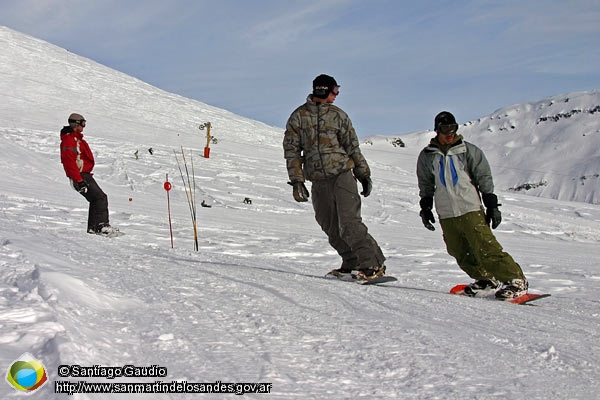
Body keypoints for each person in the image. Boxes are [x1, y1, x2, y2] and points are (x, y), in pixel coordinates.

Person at [283, 74, 386, 280]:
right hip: (318, 179)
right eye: (334, 91)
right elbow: (292, 150)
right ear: (322, 90)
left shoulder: (338, 115)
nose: (336, 95)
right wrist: (297, 180)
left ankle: (372, 263)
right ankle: (351, 261)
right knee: (328, 223)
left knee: (349, 222)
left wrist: (363, 174)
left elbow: (352, 146)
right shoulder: (299, 117)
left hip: (341, 175)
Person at [416, 111, 528, 299]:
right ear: (437, 131)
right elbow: (426, 183)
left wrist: (491, 204)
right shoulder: (427, 156)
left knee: (486, 248)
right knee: (458, 250)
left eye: (453, 128)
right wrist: (425, 207)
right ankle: (487, 279)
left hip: (470, 208)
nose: (450, 133)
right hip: (446, 212)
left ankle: (516, 280)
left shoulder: (468, 151)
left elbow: (483, 177)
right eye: (445, 129)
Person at [60, 113, 119, 236]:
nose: (84, 126)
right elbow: (69, 161)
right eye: (83, 123)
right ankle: (101, 226)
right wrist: (79, 180)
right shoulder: (69, 140)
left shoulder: (75, 139)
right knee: (100, 197)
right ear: (76, 124)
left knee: (96, 199)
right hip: (80, 175)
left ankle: (94, 227)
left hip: (83, 174)